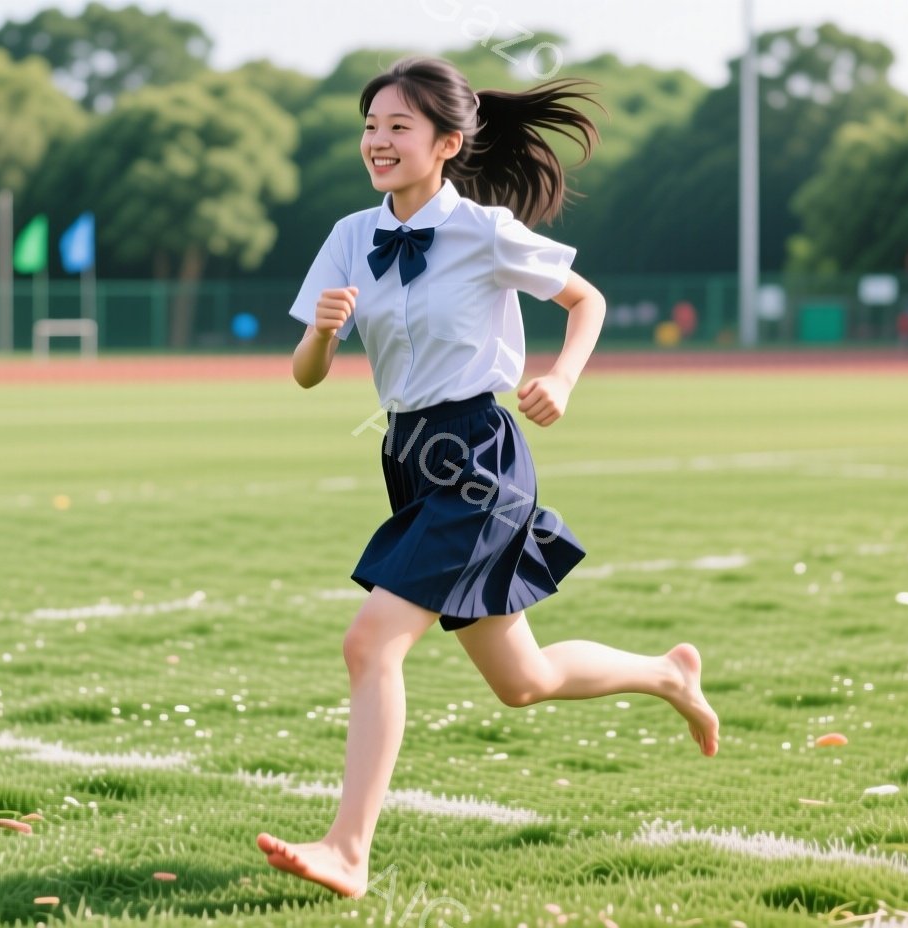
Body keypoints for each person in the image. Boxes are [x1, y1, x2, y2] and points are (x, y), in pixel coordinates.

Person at [262, 57, 719, 899]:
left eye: (398, 127)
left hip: (478, 458)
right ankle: (668, 674)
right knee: (524, 681)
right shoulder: (349, 237)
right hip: (408, 454)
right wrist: (324, 333)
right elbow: (304, 374)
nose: (378, 141)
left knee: (369, 642)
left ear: (447, 142)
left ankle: (347, 851)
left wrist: (564, 379)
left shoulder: (484, 230)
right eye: (370, 126)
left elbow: (588, 301)